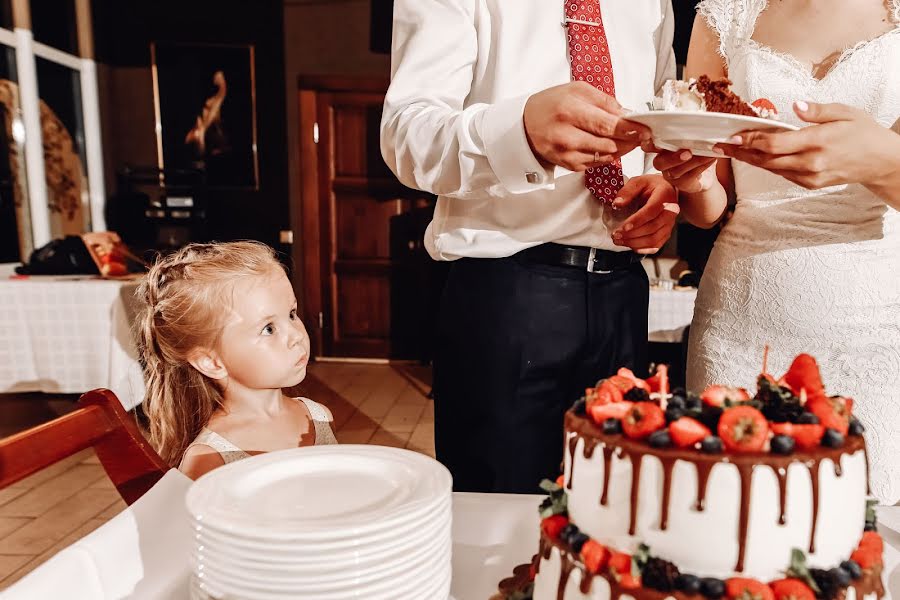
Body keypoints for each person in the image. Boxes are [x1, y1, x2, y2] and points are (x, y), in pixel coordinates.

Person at [381, 0, 679, 493]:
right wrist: (516, 133)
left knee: (613, 512)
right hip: (506, 292)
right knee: (497, 525)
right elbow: (405, 135)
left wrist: (659, 186)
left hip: (625, 292)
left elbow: (660, 123)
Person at [646, 0, 900, 504]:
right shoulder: (724, 15)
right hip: (743, 316)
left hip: (877, 321)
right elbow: (712, 206)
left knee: (861, 535)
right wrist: (692, 176)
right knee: (728, 518)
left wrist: (879, 163)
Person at [136, 241, 336, 480]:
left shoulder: (317, 416)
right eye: (269, 329)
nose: (296, 335)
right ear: (212, 362)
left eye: (291, 314)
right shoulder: (210, 459)